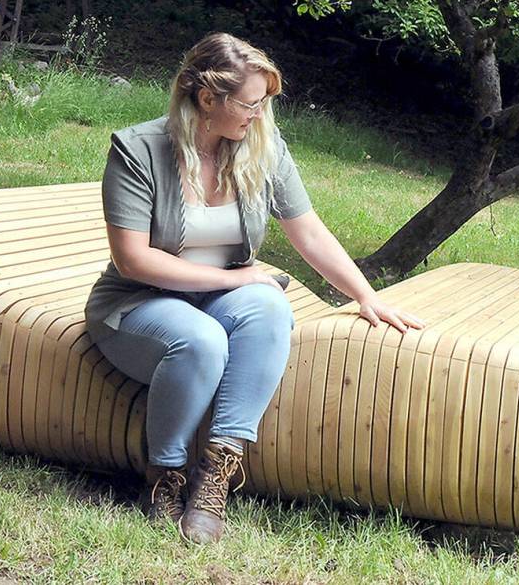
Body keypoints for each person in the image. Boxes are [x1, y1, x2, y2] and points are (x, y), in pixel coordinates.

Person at [84, 33, 425, 544]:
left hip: (217, 299)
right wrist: (234, 278)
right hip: (139, 301)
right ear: (207, 98)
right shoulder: (138, 149)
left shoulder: (263, 147)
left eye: (264, 102)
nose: (259, 114)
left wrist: (365, 296)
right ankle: (165, 476)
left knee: (268, 304)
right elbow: (133, 259)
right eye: (249, 103)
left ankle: (216, 474)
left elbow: (308, 231)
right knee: (201, 340)